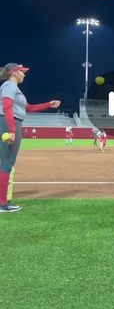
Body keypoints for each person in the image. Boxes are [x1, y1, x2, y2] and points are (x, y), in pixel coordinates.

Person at [0, 63, 61, 213]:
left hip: (10, 122)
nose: (24, 74)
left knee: (5, 162)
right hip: (9, 123)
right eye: (22, 72)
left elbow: (29, 108)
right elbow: (6, 106)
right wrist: (12, 130)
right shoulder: (9, 85)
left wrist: (49, 104)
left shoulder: (13, 87)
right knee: (7, 163)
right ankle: (2, 204)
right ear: (14, 73)